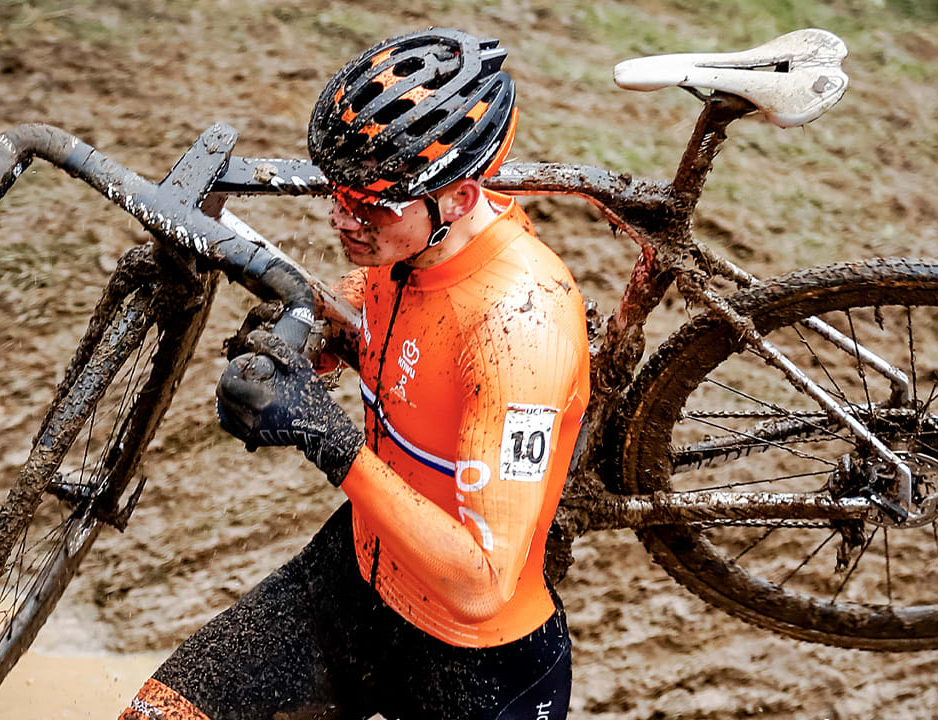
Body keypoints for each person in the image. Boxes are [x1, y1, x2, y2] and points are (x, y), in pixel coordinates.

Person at [118, 28, 590, 720]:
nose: (342, 219)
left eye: (367, 205)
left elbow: (483, 582)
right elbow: (366, 326)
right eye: (336, 194)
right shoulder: (404, 247)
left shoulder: (521, 325)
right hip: (356, 579)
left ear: (457, 199)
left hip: (473, 669)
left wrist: (326, 437)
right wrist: (293, 351)